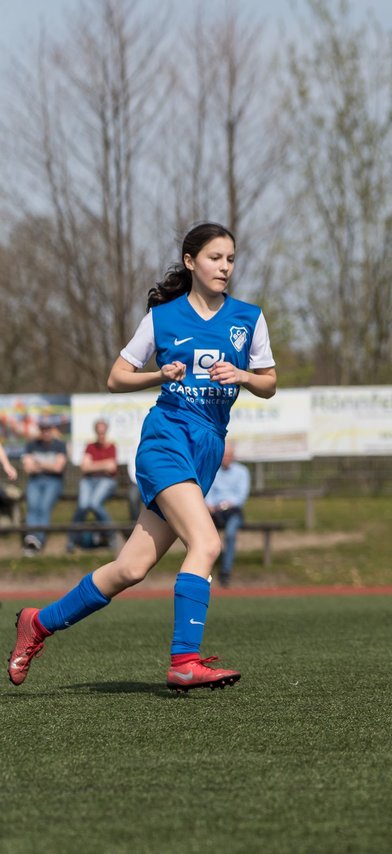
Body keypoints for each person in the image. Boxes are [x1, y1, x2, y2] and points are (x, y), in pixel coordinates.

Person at [8, 222, 277, 692]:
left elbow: (270, 382)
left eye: (231, 259)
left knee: (130, 569)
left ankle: (37, 623)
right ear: (191, 262)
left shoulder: (249, 318)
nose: (225, 267)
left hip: (207, 449)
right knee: (207, 544)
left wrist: (244, 376)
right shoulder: (162, 319)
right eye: (215, 258)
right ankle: (184, 661)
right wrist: (159, 375)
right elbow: (116, 377)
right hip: (166, 441)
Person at [69, 419, 119, 551]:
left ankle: (112, 534)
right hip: (89, 481)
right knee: (83, 506)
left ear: (106, 432)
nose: (101, 434)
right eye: (99, 432)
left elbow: (112, 468)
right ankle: (72, 539)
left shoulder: (112, 446)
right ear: (96, 432)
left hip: (106, 481)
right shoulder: (90, 446)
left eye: (103, 432)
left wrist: (93, 465)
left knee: (94, 504)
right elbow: (84, 468)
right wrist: (103, 465)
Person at [206, 444, 251, 587]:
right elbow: (208, 493)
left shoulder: (242, 472)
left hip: (233, 512)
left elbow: (241, 497)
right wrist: (211, 505)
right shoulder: (213, 471)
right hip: (214, 512)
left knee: (230, 535)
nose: (226, 459)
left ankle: (225, 572)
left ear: (233, 456)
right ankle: (203, 571)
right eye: (223, 456)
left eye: (228, 456)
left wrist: (226, 505)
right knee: (203, 537)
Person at [21, 420, 68, 555]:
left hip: (53, 481)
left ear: (52, 430)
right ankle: (32, 539)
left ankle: (37, 540)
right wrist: (49, 465)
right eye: (43, 429)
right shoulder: (31, 445)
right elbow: (28, 469)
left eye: (48, 429)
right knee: (33, 507)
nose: (45, 432)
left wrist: (39, 463)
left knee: (43, 507)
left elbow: (58, 468)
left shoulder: (59, 445)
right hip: (35, 481)